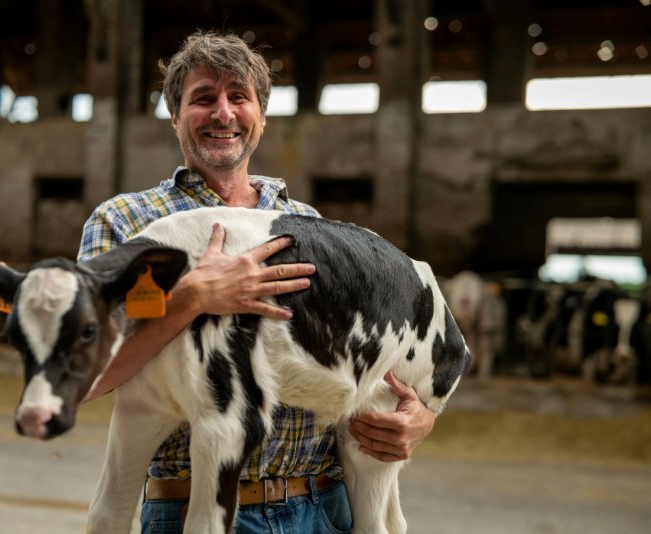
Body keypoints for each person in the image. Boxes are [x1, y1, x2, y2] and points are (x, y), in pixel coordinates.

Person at [78, 30, 435, 534]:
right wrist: (192, 298)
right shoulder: (125, 224)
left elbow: (373, 359)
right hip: (192, 511)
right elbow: (87, 374)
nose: (223, 113)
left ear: (261, 120)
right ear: (175, 117)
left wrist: (418, 417)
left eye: (238, 97)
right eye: (203, 98)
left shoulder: (311, 226)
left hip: (323, 507)